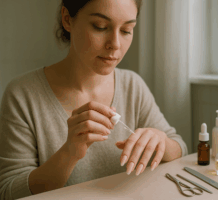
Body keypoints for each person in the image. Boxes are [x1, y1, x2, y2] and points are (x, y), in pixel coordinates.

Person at [0, 0, 188, 199]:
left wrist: (160, 141)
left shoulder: (133, 85)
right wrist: (69, 153)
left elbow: (180, 148)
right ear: (67, 20)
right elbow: (9, 191)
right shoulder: (22, 94)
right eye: (100, 27)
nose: (115, 44)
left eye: (126, 30)